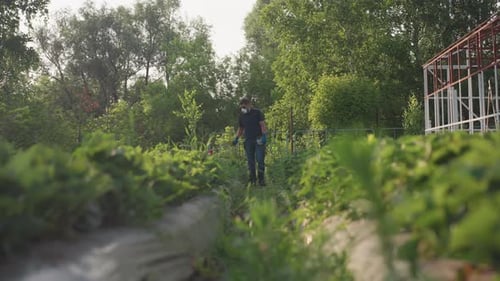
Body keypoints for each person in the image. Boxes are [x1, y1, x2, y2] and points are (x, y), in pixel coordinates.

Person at [232, 97, 267, 186]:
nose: (243, 109)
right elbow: (241, 128)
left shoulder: (257, 113)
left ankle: (261, 179)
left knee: (260, 159)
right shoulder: (242, 116)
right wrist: (236, 138)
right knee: (250, 161)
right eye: (242, 107)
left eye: (244, 107)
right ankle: (252, 179)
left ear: (249, 105)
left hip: (258, 139)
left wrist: (264, 136)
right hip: (248, 140)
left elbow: (262, 125)